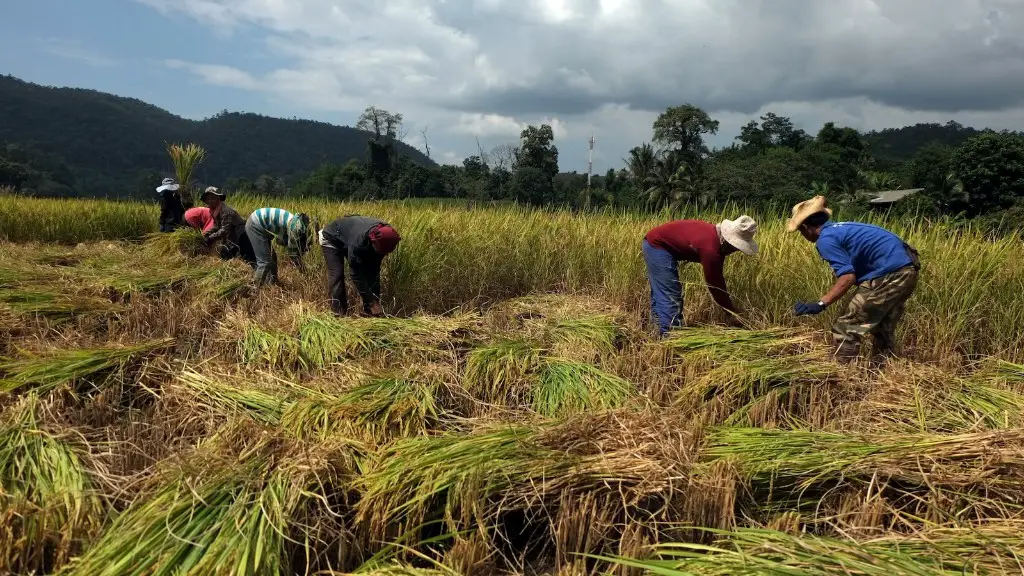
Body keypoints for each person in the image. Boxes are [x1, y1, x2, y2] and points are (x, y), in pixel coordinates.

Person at [789, 195, 921, 363]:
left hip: (890, 273)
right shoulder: (840, 229)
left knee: (846, 325)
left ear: (806, 227)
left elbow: (847, 277)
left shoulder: (825, 240)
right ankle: (881, 370)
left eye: (801, 231)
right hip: (907, 269)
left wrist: (820, 304)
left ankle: (840, 374)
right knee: (881, 325)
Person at [642, 216, 759, 336]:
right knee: (670, 295)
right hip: (656, 246)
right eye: (736, 247)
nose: (735, 251)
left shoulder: (716, 240)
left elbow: (717, 278)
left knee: (661, 293)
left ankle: (656, 333)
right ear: (728, 242)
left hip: (656, 244)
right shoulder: (711, 248)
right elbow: (715, 285)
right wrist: (731, 313)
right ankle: (670, 339)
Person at [319, 215, 401, 317]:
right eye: (383, 252)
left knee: (372, 272)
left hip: (349, 237)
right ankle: (338, 314)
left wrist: (375, 301)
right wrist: (372, 302)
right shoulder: (358, 243)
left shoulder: (386, 235)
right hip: (331, 238)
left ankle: (370, 314)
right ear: (373, 243)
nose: (385, 255)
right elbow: (356, 274)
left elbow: (374, 272)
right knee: (337, 275)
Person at [244, 207, 311, 285]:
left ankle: (273, 283)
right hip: (255, 225)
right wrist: (303, 270)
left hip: (259, 224)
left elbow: (279, 241)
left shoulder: (296, 222)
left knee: (273, 258)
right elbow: (293, 255)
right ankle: (254, 289)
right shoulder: (296, 228)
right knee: (264, 262)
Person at [200, 187, 256, 268]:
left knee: (248, 259)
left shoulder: (226, 212)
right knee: (227, 256)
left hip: (242, 235)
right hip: (232, 236)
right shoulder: (214, 211)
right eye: (208, 199)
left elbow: (224, 230)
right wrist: (207, 234)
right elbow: (216, 225)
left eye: (212, 198)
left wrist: (210, 238)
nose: (210, 201)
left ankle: (255, 277)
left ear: (218, 198)